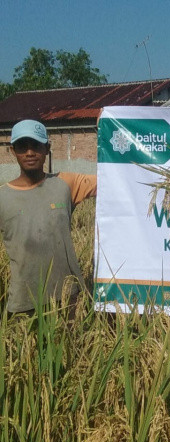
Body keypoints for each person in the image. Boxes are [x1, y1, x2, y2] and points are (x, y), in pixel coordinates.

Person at [0, 119, 97, 316]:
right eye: (22, 146)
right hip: (24, 303)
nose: (29, 152)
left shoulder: (64, 184)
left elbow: (114, 180)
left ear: (47, 148)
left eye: (36, 145)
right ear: (12, 151)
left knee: (70, 346)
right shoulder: (3, 197)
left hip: (69, 298)